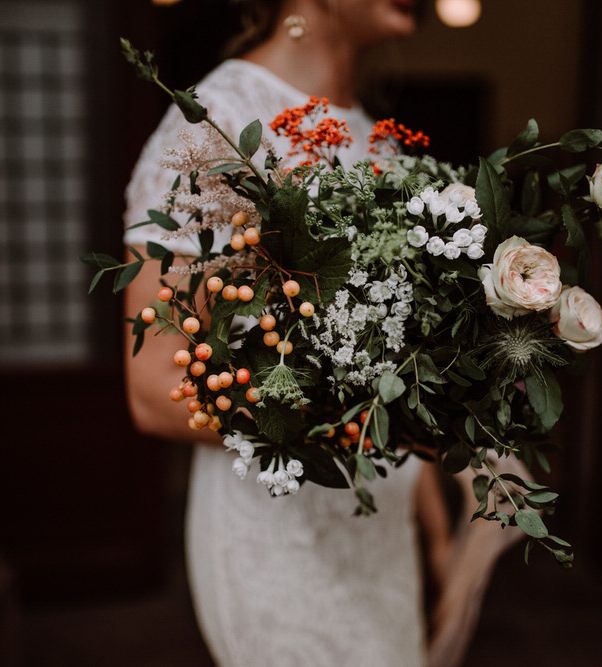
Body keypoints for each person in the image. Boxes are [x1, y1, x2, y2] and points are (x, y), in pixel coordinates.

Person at [123, 2, 527, 665]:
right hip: (276, 530)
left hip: (377, 528)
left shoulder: (379, 140)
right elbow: (151, 386)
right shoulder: (217, 124)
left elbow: (391, 366)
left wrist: (434, 537)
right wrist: (344, 414)